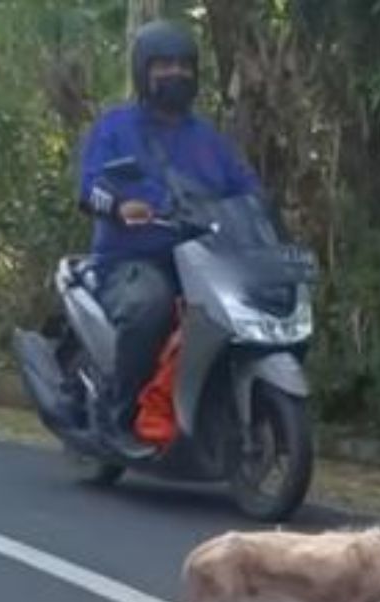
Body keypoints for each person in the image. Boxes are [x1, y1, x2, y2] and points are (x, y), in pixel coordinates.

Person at [76, 19, 261, 458]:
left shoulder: (208, 140)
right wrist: (121, 207)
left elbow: (245, 186)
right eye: (163, 65)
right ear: (143, 70)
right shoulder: (116, 127)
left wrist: (261, 212)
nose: (175, 73)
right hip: (130, 261)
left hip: (202, 260)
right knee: (150, 306)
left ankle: (207, 414)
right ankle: (116, 415)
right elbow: (89, 189)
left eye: (183, 65)